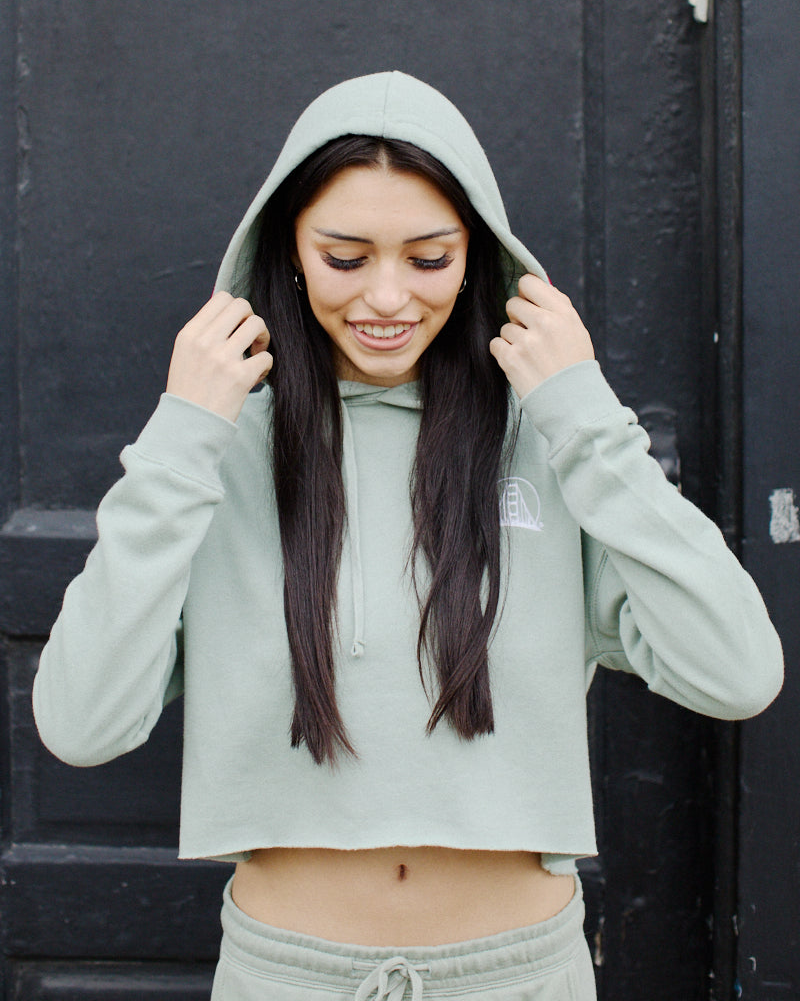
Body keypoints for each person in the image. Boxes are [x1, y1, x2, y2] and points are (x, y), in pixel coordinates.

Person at [33, 71, 783, 1000]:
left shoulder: (549, 445)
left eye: (430, 258)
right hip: (286, 974)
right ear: (290, 254)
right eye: (346, 257)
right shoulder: (214, 455)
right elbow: (80, 725)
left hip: (517, 975)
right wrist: (181, 437)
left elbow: (739, 672)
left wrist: (587, 419)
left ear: (477, 258)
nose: (387, 297)